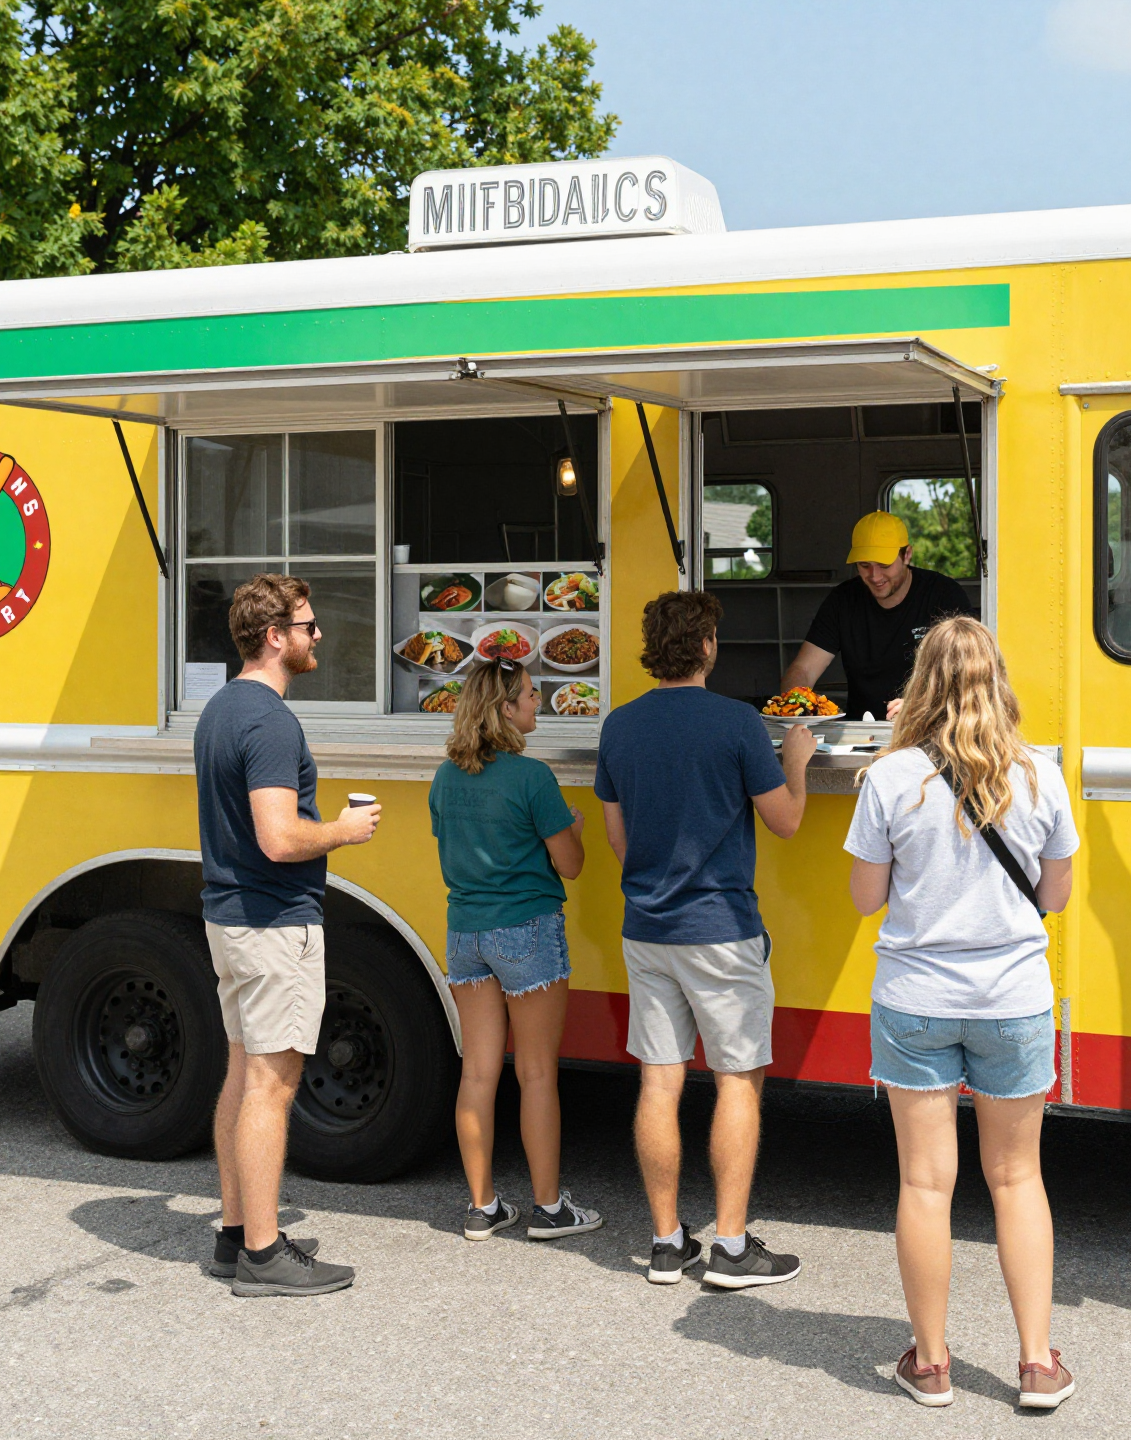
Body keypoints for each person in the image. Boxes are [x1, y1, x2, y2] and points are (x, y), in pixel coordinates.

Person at [846, 615, 1078, 1410]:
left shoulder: (888, 778)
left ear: (922, 684)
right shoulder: (1042, 775)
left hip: (916, 998)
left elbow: (866, 899)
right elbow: (1054, 896)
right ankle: (1038, 1364)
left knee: (925, 1182)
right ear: (997, 681)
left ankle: (933, 1364)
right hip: (1012, 999)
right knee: (1017, 1180)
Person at [595, 591, 817, 1288]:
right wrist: (798, 760)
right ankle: (729, 1247)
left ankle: (667, 1244)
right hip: (721, 928)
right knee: (736, 1082)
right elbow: (784, 822)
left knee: (660, 1082)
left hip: (648, 927)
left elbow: (618, 837)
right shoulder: (738, 724)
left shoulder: (619, 727)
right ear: (708, 646)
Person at [196, 574, 379, 1297]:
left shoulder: (218, 710)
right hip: (274, 925)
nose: (317, 636)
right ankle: (266, 1259)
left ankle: (235, 1236)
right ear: (275, 637)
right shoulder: (271, 722)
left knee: (243, 1076)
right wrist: (343, 830)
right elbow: (277, 838)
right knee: (272, 1088)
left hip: (230, 919)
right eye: (307, 625)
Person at [430, 658, 603, 1243]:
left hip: (464, 932)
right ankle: (550, 1210)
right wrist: (572, 826)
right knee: (535, 1074)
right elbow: (571, 865)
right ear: (505, 708)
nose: (538, 703)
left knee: (477, 1072)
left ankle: (482, 1208)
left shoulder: (445, 777)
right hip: (526, 929)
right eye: (530, 694)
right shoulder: (533, 778)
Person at [781, 511, 974, 721]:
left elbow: (971, 674)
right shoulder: (843, 600)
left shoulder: (944, 595)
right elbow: (804, 669)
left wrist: (924, 706)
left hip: (933, 727)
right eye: (864, 565)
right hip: (861, 732)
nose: (874, 576)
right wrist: (797, 703)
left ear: (907, 555)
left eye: (884, 565)